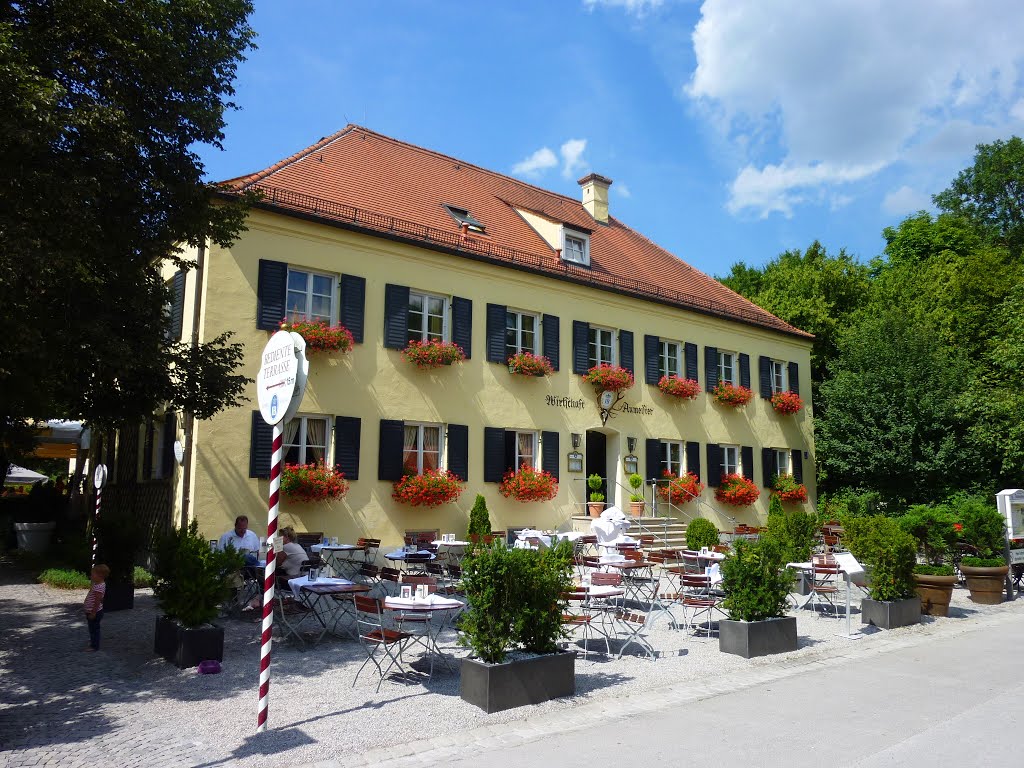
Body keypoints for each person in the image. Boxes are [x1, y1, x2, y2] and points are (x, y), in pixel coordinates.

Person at [83, 564, 109, 651]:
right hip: (91, 611)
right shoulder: (97, 584)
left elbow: (97, 601)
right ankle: (93, 642)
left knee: (94, 629)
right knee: (92, 628)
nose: (91, 576)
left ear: (100, 576)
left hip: (94, 612)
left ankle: (94, 646)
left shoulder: (99, 586)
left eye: (93, 574)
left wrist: (93, 613)